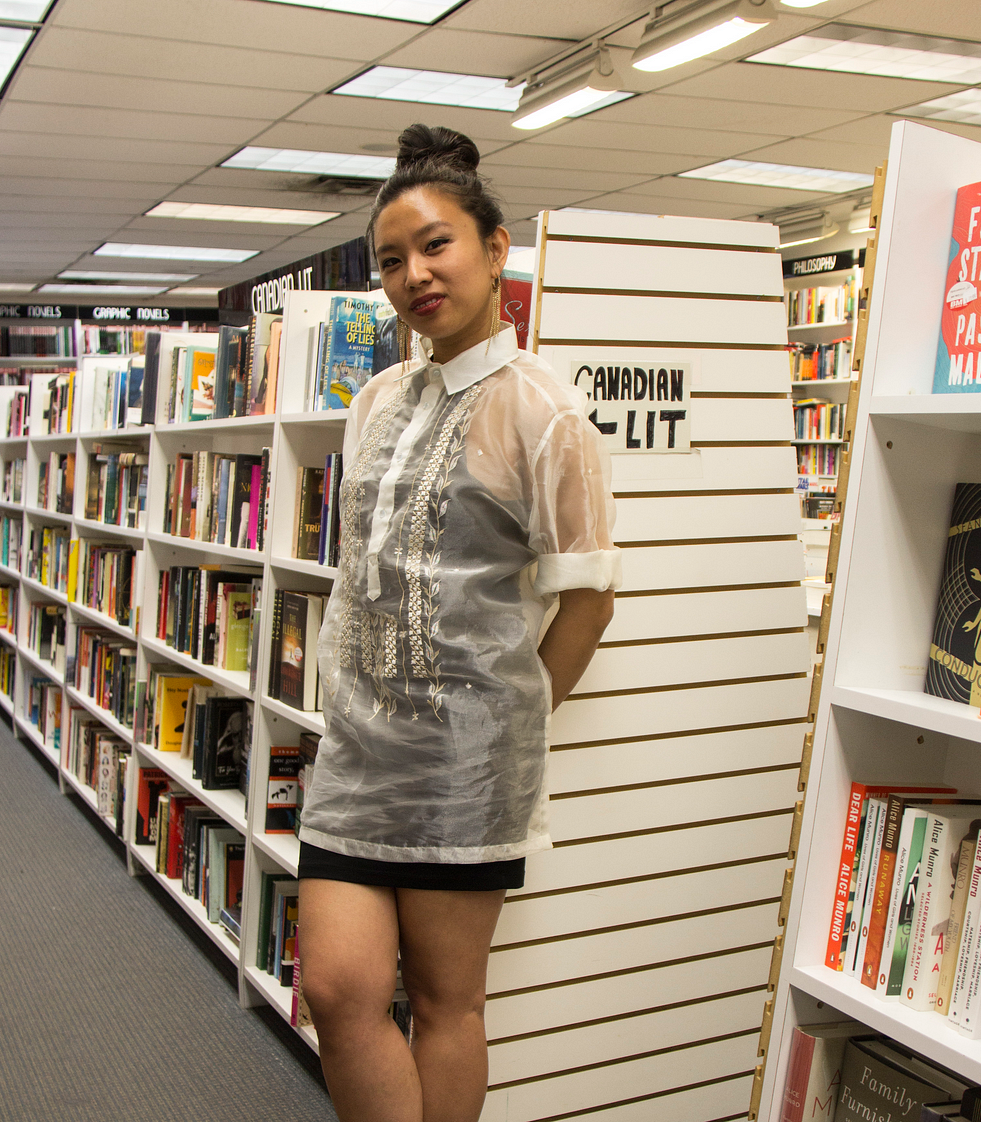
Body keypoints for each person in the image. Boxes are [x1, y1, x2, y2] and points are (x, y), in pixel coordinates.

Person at [297, 123, 621, 1122]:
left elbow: (589, 594)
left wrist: (508, 721)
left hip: (464, 771)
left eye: (435, 245)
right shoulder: (376, 398)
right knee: (337, 991)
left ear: (493, 248)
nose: (414, 274)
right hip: (355, 753)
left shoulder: (544, 409)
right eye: (390, 260)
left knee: (446, 1003)